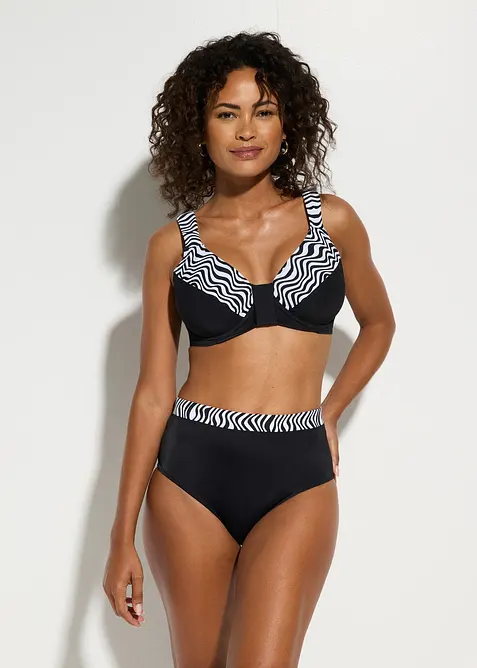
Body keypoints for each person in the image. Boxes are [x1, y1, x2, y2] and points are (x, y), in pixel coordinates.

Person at [103, 30, 396, 668]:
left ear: (287, 123)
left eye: (263, 111)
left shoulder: (333, 221)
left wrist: (331, 410)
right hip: (190, 474)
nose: (246, 130)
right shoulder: (171, 246)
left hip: (297, 471)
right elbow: (152, 391)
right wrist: (120, 535)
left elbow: (378, 324)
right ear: (199, 128)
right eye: (226, 113)